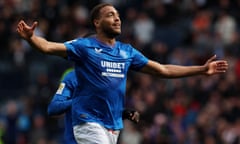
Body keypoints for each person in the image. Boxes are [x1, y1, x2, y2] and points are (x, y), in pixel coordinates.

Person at [16, 3, 228, 144]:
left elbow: (163, 69)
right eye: (110, 15)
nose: (117, 19)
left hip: (112, 126)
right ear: (97, 23)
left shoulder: (127, 52)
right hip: (87, 120)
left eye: (118, 15)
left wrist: (201, 70)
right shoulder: (84, 46)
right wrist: (31, 39)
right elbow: (47, 47)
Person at [47, 68, 140, 144]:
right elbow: (53, 108)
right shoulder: (72, 76)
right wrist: (79, 100)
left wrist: (124, 113)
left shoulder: (105, 78)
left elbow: (104, 110)